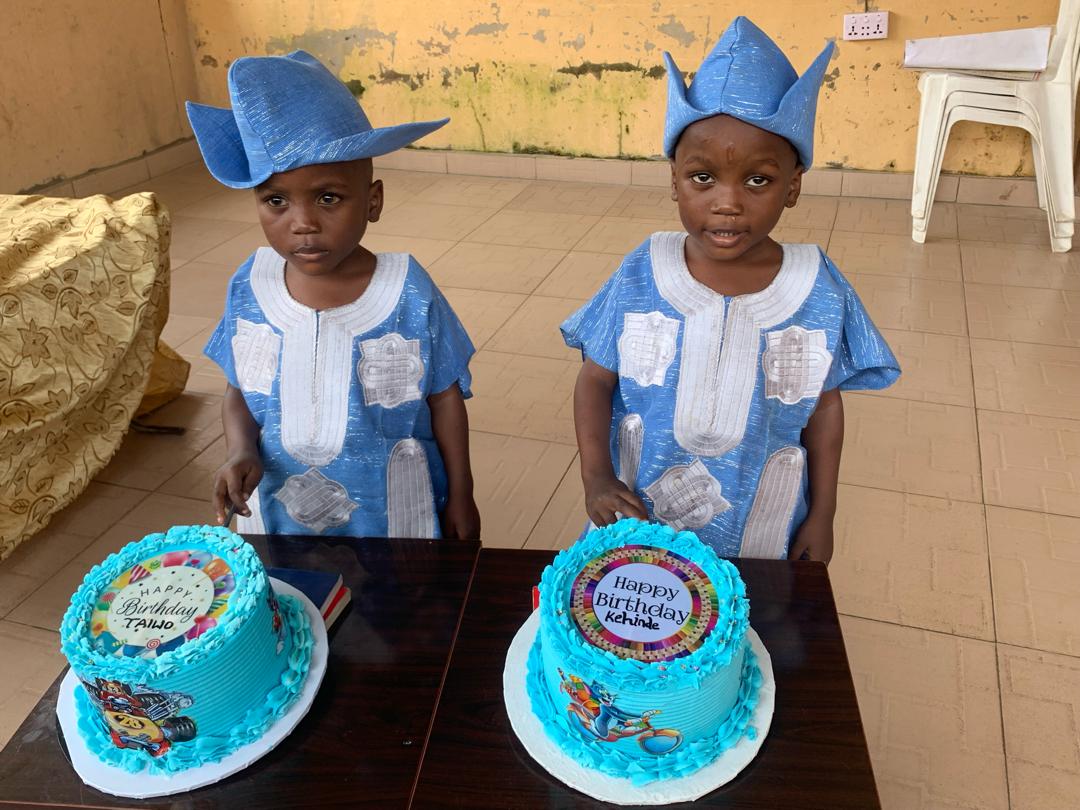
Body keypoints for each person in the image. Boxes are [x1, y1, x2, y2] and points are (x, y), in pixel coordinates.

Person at [561, 17, 900, 563]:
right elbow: (595, 379)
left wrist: (823, 513)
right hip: (640, 520)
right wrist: (597, 475)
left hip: (761, 527)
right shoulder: (642, 270)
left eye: (758, 180)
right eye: (703, 178)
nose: (728, 203)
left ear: (793, 186)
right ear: (674, 179)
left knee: (750, 616)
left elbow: (824, 408)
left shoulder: (818, 287)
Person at [188, 51, 480, 539]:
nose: (303, 223)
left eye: (328, 198)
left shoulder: (408, 291)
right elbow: (239, 390)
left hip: (394, 516)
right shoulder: (250, 286)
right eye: (276, 201)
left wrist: (462, 495)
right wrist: (240, 450)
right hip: (277, 517)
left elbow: (445, 401)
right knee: (286, 589)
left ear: (373, 201)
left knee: (399, 589)